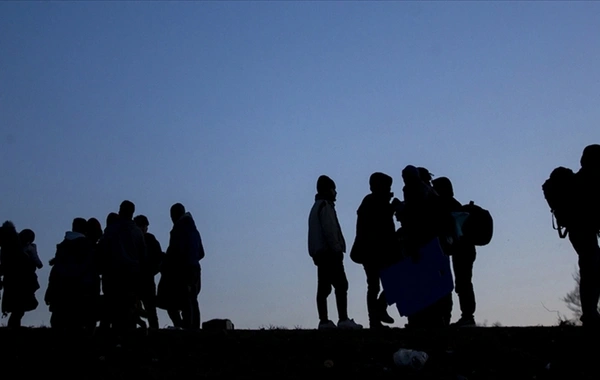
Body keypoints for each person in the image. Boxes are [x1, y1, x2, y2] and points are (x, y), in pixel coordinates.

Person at [308, 175, 362, 330]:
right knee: (341, 285)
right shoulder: (325, 206)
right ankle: (342, 319)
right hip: (329, 253)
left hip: (320, 254)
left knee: (324, 288)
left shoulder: (316, 207)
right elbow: (330, 230)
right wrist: (337, 249)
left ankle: (324, 321)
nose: (336, 193)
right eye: (333, 189)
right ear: (328, 189)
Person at [352, 172, 398, 329]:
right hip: (374, 252)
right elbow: (380, 223)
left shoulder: (375, 202)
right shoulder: (372, 202)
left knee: (384, 284)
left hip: (377, 251)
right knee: (376, 285)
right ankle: (376, 317)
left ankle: (378, 312)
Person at [432, 176, 477, 327]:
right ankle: (467, 316)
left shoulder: (447, 205)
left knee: (463, 283)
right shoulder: (454, 204)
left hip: (461, 249)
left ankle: (468, 317)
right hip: (465, 249)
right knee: (463, 282)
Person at [97, 200, 147, 332]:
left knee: (110, 309)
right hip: (131, 277)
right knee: (129, 311)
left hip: (112, 276)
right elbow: (143, 257)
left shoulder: (110, 230)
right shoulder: (137, 232)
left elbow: (103, 251)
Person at [567, 144, 600, 328]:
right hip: (582, 230)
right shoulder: (589, 179)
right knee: (591, 268)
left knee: (591, 268)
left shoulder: (582, 178)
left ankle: (590, 312)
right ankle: (590, 313)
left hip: (579, 230)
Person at [157, 203, 205, 330]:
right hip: (195, 269)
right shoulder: (195, 231)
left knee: (181, 301)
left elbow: (175, 252)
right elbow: (201, 253)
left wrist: (166, 263)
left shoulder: (178, 230)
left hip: (183, 270)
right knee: (193, 300)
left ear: (174, 215)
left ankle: (185, 328)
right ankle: (194, 328)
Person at [45, 217, 99, 330]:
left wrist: (50, 290)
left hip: (62, 290)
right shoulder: (88, 246)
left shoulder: (63, 246)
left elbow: (55, 271)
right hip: (81, 291)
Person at [0, 221, 40, 328]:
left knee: (17, 309)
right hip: (19, 281)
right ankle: (13, 329)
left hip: (13, 280)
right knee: (18, 309)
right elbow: (22, 263)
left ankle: (13, 328)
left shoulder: (8, 246)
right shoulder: (15, 247)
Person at [134, 214, 164, 329]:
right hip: (145, 280)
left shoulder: (137, 240)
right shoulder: (150, 239)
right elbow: (159, 259)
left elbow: (158, 260)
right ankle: (154, 334)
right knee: (150, 311)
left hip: (139, 280)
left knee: (140, 310)